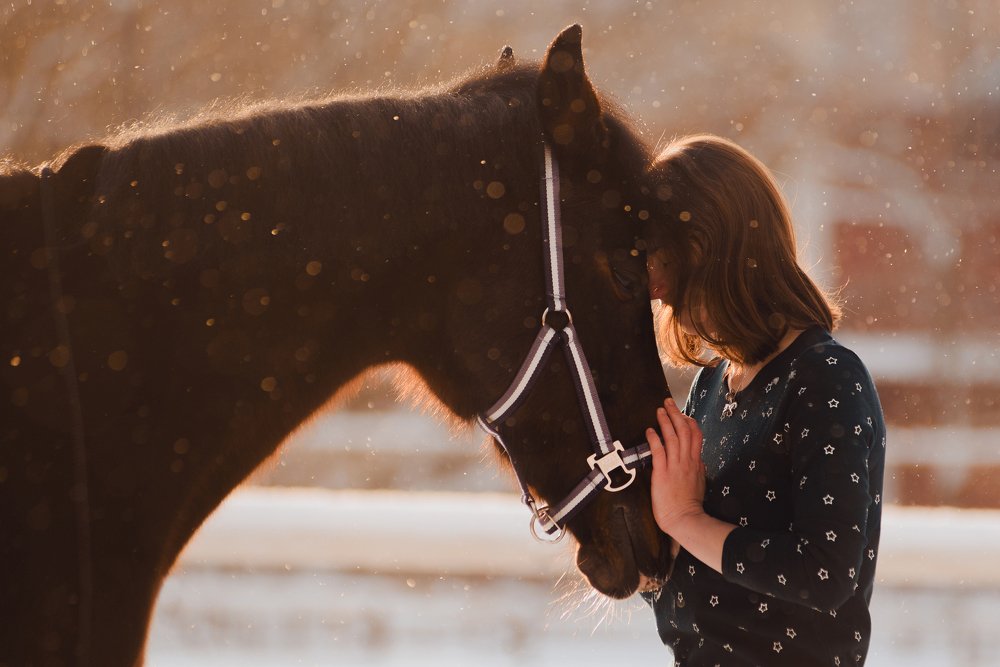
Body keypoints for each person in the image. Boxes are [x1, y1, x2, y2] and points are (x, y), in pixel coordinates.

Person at [641, 134, 886, 666]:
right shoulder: (711, 386)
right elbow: (701, 576)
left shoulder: (825, 379)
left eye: (659, 258)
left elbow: (823, 574)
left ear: (709, 251)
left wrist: (684, 520)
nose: (654, 287)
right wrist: (650, 555)